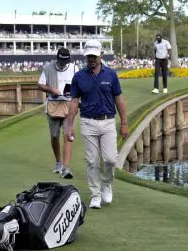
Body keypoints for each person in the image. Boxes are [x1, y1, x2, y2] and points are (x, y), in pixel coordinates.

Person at [65, 40, 129, 209]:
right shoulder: (79, 77)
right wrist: (69, 125)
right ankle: (95, 194)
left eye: (94, 55)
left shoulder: (111, 75)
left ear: (101, 55)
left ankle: (106, 184)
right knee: (92, 161)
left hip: (108, 122)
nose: (91, 59)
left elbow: (119, 99)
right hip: (88, 123)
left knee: (109, 159)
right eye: (89, 56)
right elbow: (73, 101)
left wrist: (124, 122)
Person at [38, 47, 78, 179]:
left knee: (68, 135)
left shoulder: (73, 68)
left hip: (69, 105)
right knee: (54, 136)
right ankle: (58, 162)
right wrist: (51, 90)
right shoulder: (48, 68)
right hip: (53, 105)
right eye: (61, 61)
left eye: (65, 61)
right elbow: (40, 85)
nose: (63, 64)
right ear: (57, 58)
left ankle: (66, 167)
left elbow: (79, 84)